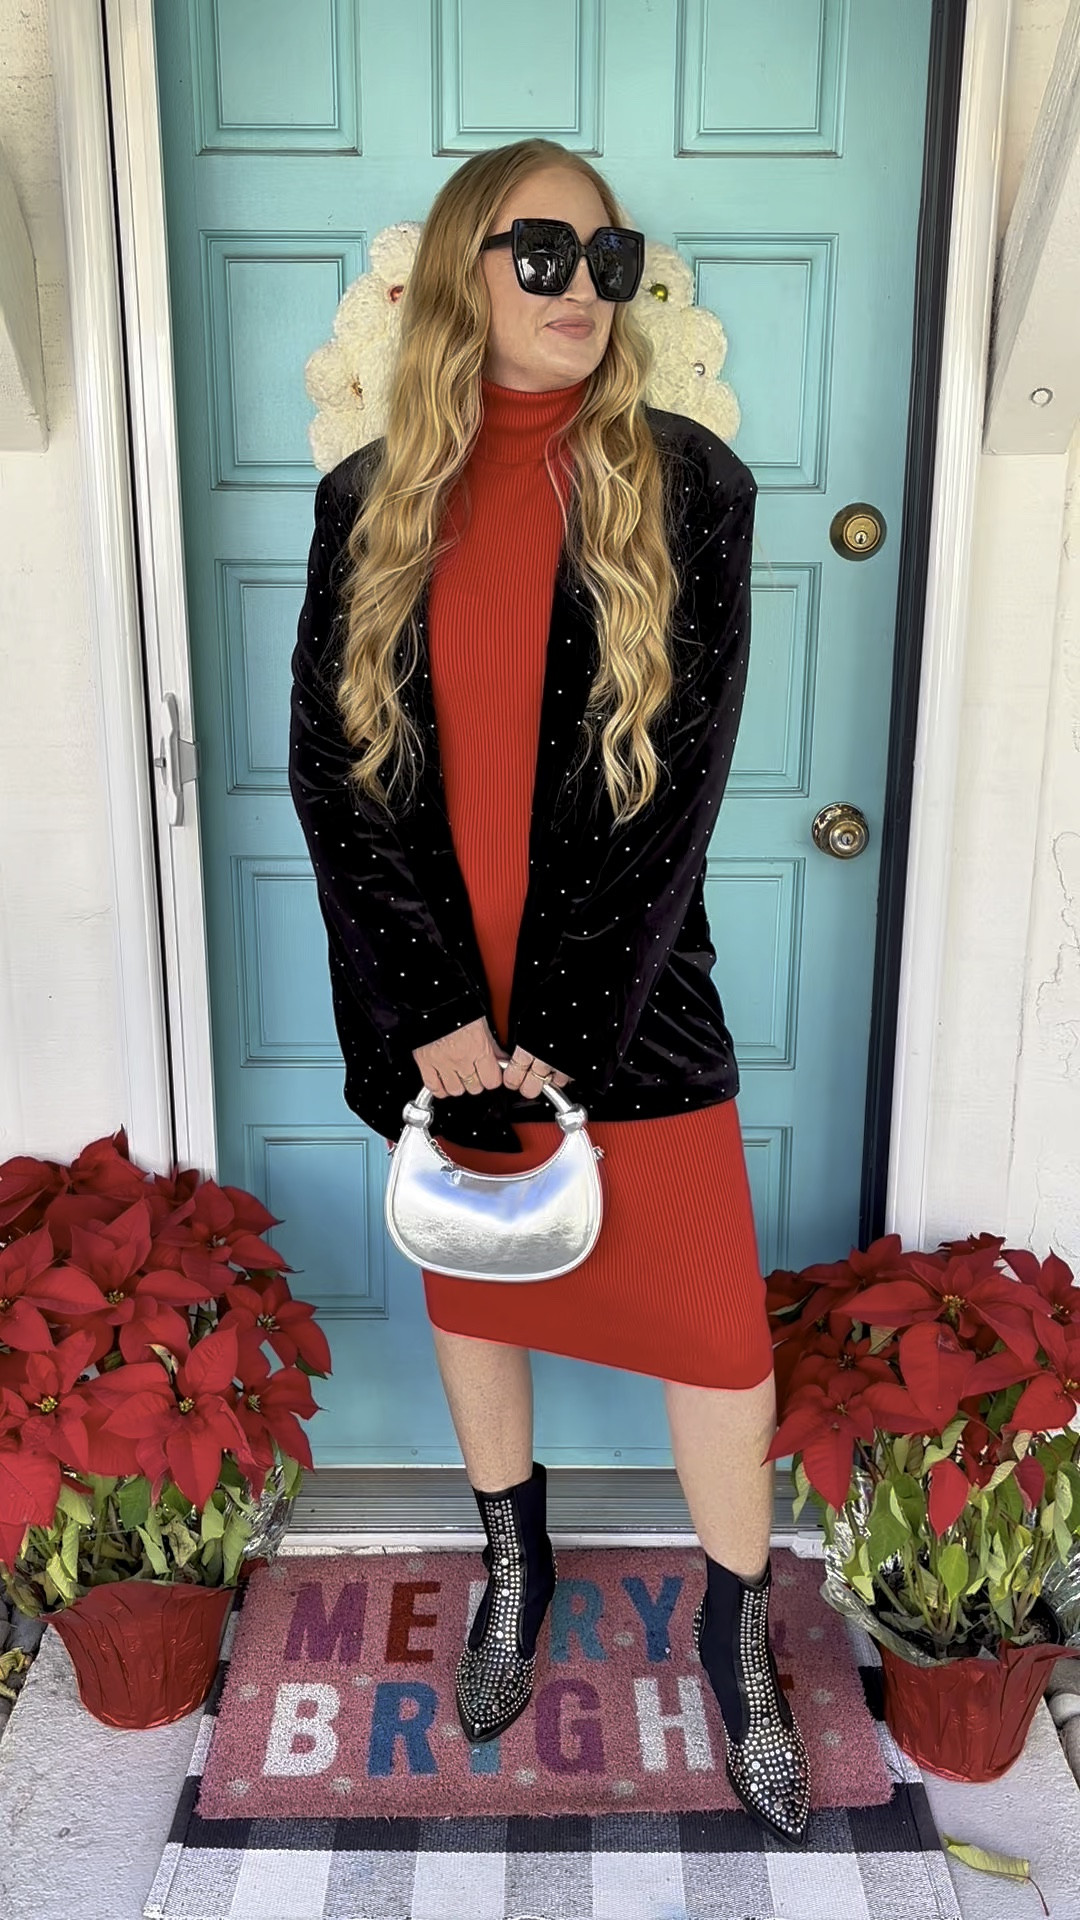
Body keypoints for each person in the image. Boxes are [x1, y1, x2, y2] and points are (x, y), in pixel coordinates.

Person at [289, 137, 810, 1845]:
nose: (580, 287)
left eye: (606, 258)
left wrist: (555, 1052)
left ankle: (740, 1641)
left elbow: (674, 801)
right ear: (465, 267)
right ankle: (516, 1548)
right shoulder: (368, 498)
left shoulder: (690, 486)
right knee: (481, 1288)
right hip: (439, 1006)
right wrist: (449, 1028)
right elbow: (335, 775)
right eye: (540, 253)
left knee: (718, 1339)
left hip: (626, 1001)